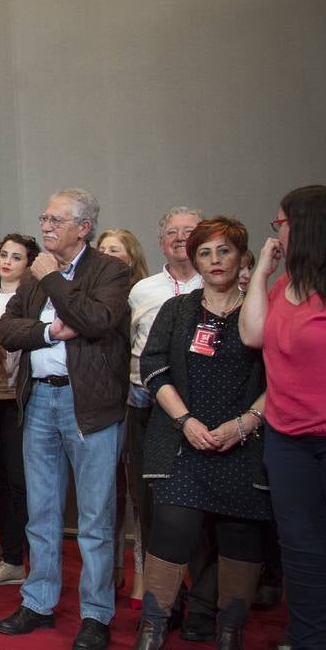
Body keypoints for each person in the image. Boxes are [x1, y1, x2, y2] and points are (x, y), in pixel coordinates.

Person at [123, 217, 269, 650]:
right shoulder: (178, 310)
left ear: (242, 257)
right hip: (183, 442)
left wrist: (245, 424)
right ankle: (153, 630)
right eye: (205, 253)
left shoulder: (262, 312)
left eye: (224, 251)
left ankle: (230, 636)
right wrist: (185, 420)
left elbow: (284, 375)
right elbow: (155, 367)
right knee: (170, 532)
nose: (214, 261)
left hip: (245, 445)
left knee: (240, 541)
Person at [0, 188, 132, 650]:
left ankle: (96, 614)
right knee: (42, 511)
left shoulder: (110, 269)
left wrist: (55, 281)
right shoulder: (35, 275)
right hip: (39, 403)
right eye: (44, 217)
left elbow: (95, 320)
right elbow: (7, 329)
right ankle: (38, 601)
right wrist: (51, 330)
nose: (46, 226)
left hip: (89, 407)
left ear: (84, 228)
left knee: (95, 518)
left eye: (56, 219)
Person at [240, 185, 326, 650]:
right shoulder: (284, 287)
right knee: (303, 559)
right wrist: (263, 269)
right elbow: (253, 335)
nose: (275, 231)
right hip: (287, 443)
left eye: (280, 224)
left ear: (308, 227)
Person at [124, 207, 202, 608]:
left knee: (204, 506)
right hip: (148, 411)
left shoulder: (218, 285)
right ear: (160, 243)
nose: (180, 237)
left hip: (208, 415)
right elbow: (131, 350)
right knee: (151, 503)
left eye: (189, 231)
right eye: (171, 232)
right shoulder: (143, 290)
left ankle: (205, 601)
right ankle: (161, 601)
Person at [0, 233, 39, 588]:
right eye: (4, 254)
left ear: (29, 265)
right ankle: (12, 556)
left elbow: (9, 345)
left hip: (18, 398)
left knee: (19, 482)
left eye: (17, 257)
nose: (7, 262)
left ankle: (26, 557)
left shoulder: (31, 300)